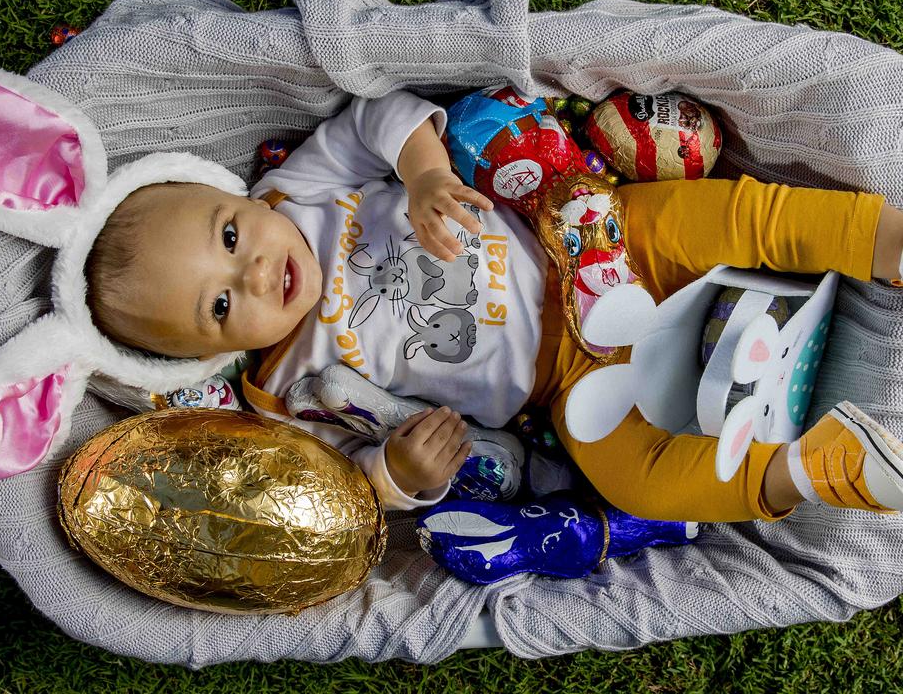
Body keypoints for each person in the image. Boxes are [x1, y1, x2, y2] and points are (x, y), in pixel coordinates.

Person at [85, 90, 903, 520]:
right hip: (568, 384)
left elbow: (377, 119)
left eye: (231, 238)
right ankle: (819, 470)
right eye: (221, 307)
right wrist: (396, 477)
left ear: (235, 196)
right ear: (208, 357)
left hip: (589, 243)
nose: (259, 275)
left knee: (733, 217)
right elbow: (330, 484)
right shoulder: (282, 390)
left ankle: (883, 241)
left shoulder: (296, 191)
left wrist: (423, 173)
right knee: (638, 487)